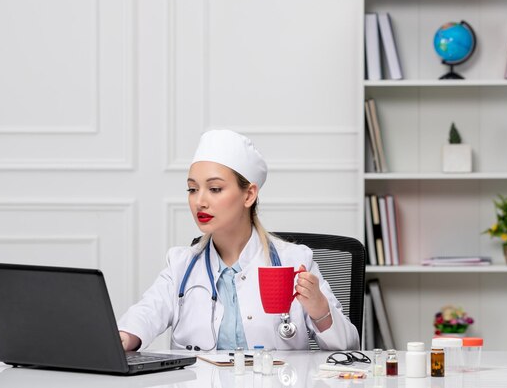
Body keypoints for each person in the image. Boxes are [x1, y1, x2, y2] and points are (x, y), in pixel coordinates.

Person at [118, 129, 359, 351]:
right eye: (192, 189)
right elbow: (147, 313)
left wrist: (319, 308)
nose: (199, 201)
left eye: (214, 189)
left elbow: (349, 346)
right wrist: (125, 337)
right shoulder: (181, 265)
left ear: (249, 194)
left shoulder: (294, 261)